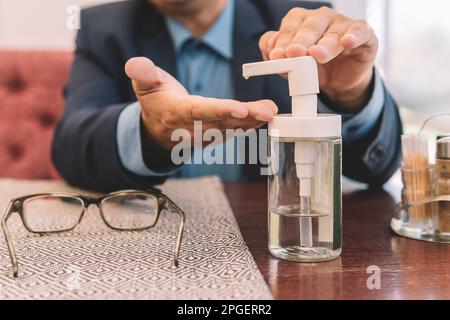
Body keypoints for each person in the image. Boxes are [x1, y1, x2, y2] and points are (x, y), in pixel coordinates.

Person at [52, 0, 403, 192]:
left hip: (267, 247)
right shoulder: (103, 28)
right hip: (149, 240)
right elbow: (70, 147)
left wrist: (349, 94)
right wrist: (151, 131)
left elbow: (376, 169)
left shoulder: (298, 23)